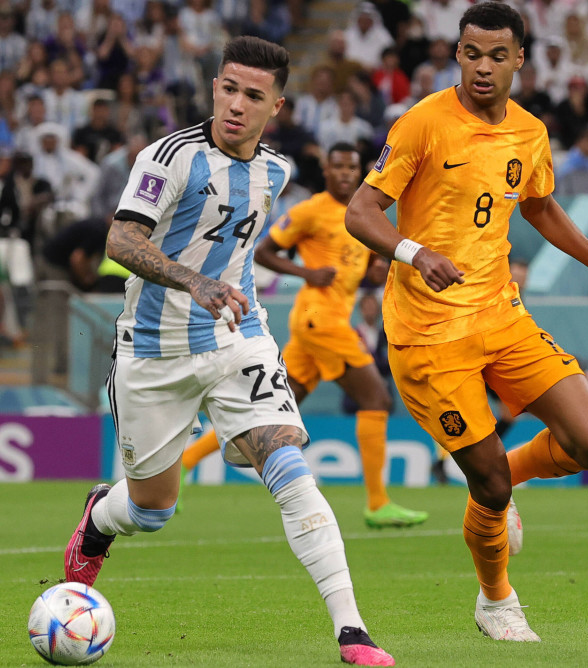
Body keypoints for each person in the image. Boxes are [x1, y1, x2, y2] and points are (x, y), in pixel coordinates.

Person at [60, 37, 394, 667]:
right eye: (228, 88)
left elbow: (236, 255)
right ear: (215, 87)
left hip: (236, 337)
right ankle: (102, 514)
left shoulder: (277, 171)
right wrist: (193, 282)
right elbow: (121, 239)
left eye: (253, 96)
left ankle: (352, 631)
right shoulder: (168, 158)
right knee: (152, 510)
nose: (236, 104)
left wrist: (224, 293)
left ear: (277, 106)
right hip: (154, 351)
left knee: (289, 465)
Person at [345, 3, 588, 643]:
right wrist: (413, 252)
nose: (483, 67)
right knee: (487, 481)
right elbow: (361, 210)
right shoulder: (424, 123)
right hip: (428, 338)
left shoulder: (530, 132)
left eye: (497, 55)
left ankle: (510, 478)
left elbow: (540, 207)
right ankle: (496, 599)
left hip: (501, 317)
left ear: (518, 61)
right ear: (457, 54)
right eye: (471, 53)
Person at [178, 143, 428, 529]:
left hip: (320, 325)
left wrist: (370, 277)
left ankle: (186, 463)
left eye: (352, 167)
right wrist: (306, 275)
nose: (346, 173)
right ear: (325, 171)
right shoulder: (311, 210)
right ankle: (377, 502)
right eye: (338, 166)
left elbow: (350, 270)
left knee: (273, 408)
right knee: (376, 397)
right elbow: (264, 252)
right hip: (320, 320)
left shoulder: (363, 213)